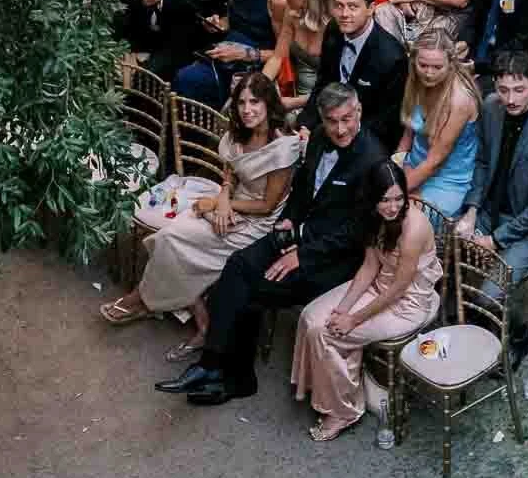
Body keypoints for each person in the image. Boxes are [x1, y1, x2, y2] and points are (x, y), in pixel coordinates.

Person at [159, 83, 383, 407]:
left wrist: (301, 255)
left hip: (332, 261)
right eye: (332, 120)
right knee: (236, 266)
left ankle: (226, 375)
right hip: (299, 235)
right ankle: (215, 368)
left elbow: (356, 232)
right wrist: (288, 222)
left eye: (347, 119)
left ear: (359, 112)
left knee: (247, 289)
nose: (340, 129)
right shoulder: (320, 136)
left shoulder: (372, 160)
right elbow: (303, 190)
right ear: (322, 117)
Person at [100, 72, 300, 330]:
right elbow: (230, 169)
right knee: (171, 235)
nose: (247, 110)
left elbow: (267, 206)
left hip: (258, 224)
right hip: (231, 203)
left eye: (254, 102)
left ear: (268, 103)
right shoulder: (242, 131)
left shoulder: (283, 148)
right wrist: (224, 196)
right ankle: (163, 305)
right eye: (241, 103)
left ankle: (140, 300)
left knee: (172, 240)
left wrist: (220, 204)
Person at [292, 156, 444, 442]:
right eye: (385, 200)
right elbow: (370, 266)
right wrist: (343, 308)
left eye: (399, 199)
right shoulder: (374, 217)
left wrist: (352, 320)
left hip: (406, 304)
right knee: (312, 317)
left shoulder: (415, 228)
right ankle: (338, 389)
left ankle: (342, 410)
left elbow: (399, 288)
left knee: (327, 334)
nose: (393, 206)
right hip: (379, 284)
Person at [456, 54, 528, 365]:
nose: (510, 99)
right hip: (490, 210)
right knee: (448, 251)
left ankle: (519, 336)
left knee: (487, 295)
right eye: (504, 89)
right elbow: (481, 163)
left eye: (518, 90)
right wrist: (471, 210)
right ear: (495, 85)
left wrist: (494, 240)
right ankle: (469, 325)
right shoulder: (491, 107)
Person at [313, 0, 408, 151]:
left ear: (370, 9)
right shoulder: (334, 30)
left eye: (353, 7)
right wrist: (307, 124)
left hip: (367, 140)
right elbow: (323, 82)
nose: (344, 14)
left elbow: (387, 120)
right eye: (339, 6)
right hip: (330, 125)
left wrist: (337, 137)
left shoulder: (392, 57)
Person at [395, 24, 482, 212]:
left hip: (446, 180)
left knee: (401, 214)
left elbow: (435, 162)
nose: (428, 73)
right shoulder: (416, 82)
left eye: (437, 67)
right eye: (423, 65)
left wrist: (396, 191)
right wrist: (396, 164)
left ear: (451, 64)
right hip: (413, 164)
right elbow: (408, 133)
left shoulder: (459, 100)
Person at [264, 0, 337, 98]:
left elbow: (336, 85)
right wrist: (260, 85)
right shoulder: (292, 13)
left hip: (327, 98)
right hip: (297, 94)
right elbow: (277, 58)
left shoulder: (336, 26)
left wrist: (295, 103)